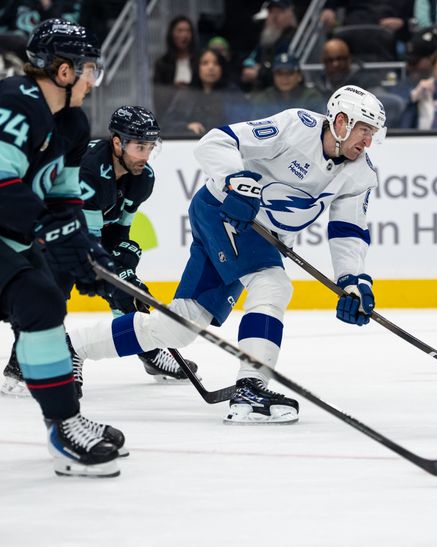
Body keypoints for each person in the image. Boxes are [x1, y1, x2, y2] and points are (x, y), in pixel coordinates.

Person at [67, 85, 386, 425]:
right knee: (272, 285)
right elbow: (215, 142)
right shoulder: (296, 127)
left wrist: (352, 281)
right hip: (222, 211)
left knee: (181, 325)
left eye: (373, 134)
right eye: (364, 130)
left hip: (260, 233)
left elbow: (348, 230)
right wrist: (237, 180)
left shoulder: (361, 173)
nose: (368, 142)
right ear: (340, 121)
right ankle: (250, 387)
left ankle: (72, 346)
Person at [1, 106, 200, 396]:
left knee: (125, 275)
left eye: (150, 147)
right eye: (139, 146)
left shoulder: (143, 177)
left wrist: (125, 265)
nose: (145, 155)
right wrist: (118, 277)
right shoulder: (90, 171)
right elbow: (87, 249)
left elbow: (119, 231)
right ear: (117, 142)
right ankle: (22, 366)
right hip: (44, 228)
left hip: (84, 232)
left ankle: (148, 350)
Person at [0, 18, 123, 476]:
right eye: (90, 68)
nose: (94, 79)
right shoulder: (16, 100)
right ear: (65, 71)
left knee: (45, 299)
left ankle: (65, 420)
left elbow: (63, 197)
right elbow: (2, 183)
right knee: (38, 297)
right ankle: (63, 422)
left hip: (10, 237)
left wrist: (88, 250)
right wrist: (52, 231)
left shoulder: (71, 122)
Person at [163, 48, 250, 137]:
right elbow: (167, 124)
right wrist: (186, 126)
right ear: (197, 67)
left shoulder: (233, 94)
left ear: (222, 68)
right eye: (205, 63)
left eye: (216, 63)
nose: (211, 67)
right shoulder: (186, 94)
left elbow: (243, 125)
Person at [239, 0, 297, 92]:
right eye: (271, 12)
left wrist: (260, 72)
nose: (274, 16)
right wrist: (249, 67)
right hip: (262, 89)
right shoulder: (267, 37)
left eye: (279, 12)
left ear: (289, 13)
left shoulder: (295, 37)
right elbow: (251, 59)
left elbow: (287, 67)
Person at [250, 53, 325, 118]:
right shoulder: (263, 98)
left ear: (299, 76)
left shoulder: (311, 97)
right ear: (273, 76)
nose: (284, 78)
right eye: (279, 73)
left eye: (289, 73)